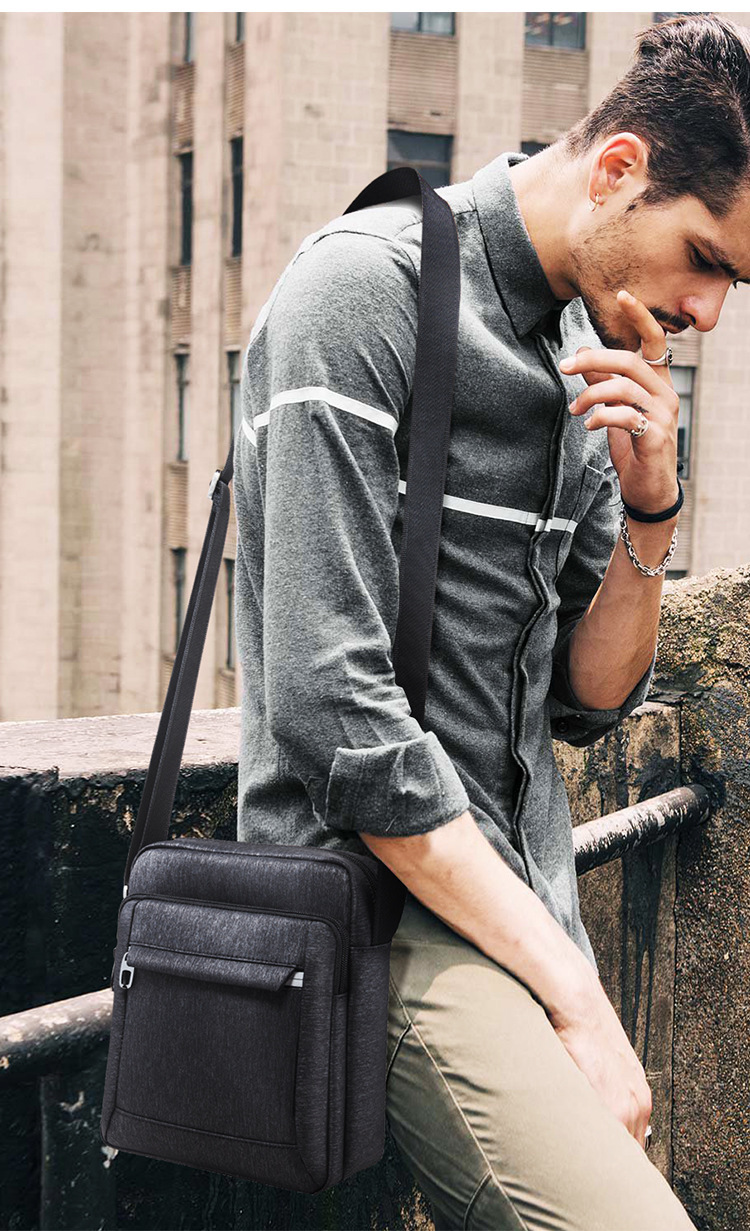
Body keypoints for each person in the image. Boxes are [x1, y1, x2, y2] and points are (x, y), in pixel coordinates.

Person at [232, 12, 750, 1228]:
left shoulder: (582, 350)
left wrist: (653, 507)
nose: (710, 310)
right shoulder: (363, 288)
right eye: (706, 257)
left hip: (520, 900)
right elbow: (333, 713)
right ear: (617, 168)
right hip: (375, 910)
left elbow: (589, 699)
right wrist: (576, 993)